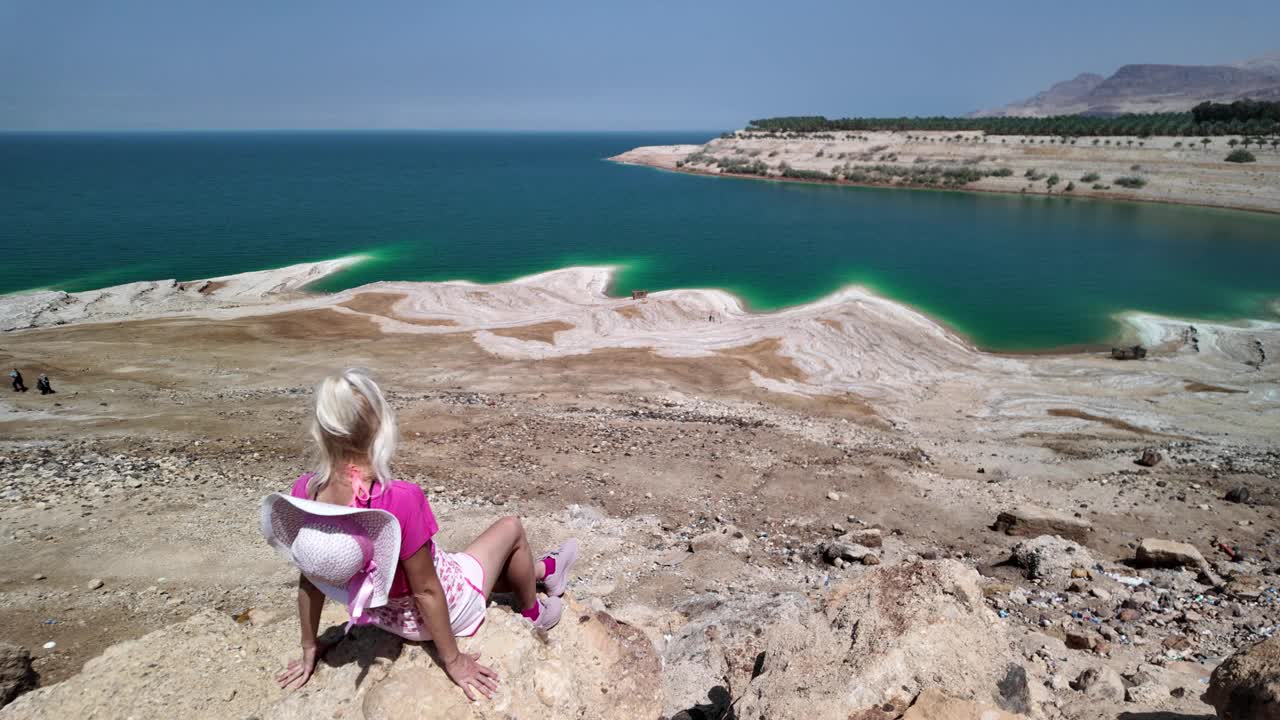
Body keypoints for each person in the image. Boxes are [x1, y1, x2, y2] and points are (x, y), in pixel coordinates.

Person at [260, 368, 579, 701]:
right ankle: (533, 612)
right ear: (380, 429)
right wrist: (453, 660)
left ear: (321, 432)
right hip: (443, 612)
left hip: (382, 615)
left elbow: (310, 579)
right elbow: (427, 590)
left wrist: (309, 645)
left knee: (468, 560)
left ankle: (547, 571)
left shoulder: (306, 492)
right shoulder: (398, 499)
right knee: (510, 527)